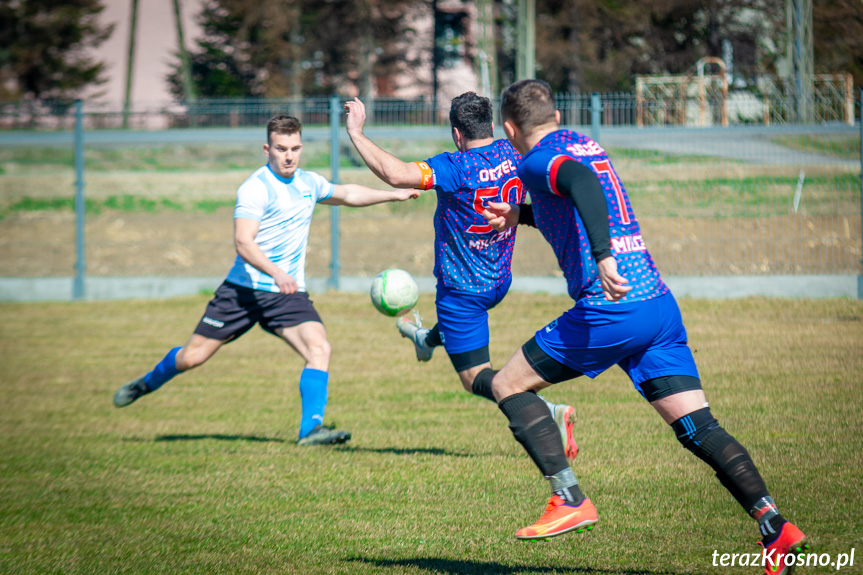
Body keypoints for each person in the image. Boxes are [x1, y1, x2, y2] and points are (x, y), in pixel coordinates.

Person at [484, 79, 807, 575]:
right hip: (657, 305)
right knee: (698, 427)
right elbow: (576, 196)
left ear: (509, 129)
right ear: (553, 114)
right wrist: (521, 215)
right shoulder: (581, 143)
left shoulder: (535, 160)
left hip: (612, 308)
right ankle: (774, 524)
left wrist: (603, 257)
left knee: (507, 383)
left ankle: (570, 499)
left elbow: (581, 187)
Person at [113, 114, 418, 446]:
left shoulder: (307, 183)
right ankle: (146, 383)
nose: (289, 155)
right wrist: (276, 272)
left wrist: (394, 194)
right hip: (243, 292)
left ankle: (311, 431)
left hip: (286, 296)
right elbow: (244, 241)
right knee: (192, 357)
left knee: (320, 348)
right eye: (281, 148)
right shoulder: (255, 188)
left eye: (295, 148)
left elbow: (346, 193)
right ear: (267, 148)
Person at [344, 93, 578, 462]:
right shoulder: (513, 153)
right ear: (492, 125)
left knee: (475, 379)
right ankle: (426, 339)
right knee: (452, 331)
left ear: (457, 134)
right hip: (499, 280)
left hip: (462, 291)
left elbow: (396, 174)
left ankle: (548, 410)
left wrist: (356, 133)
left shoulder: (455, 167)